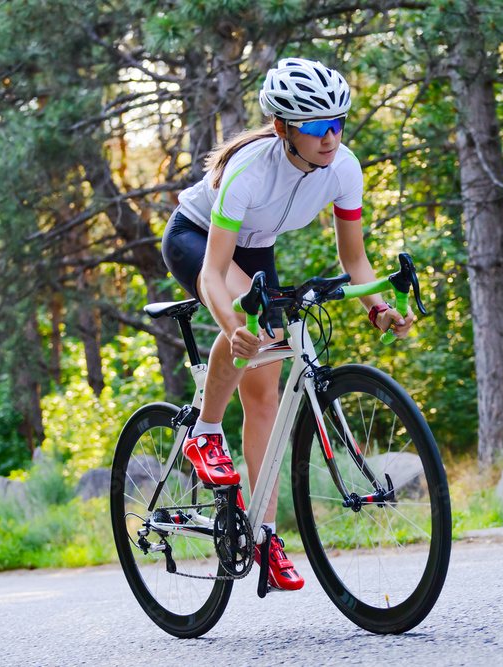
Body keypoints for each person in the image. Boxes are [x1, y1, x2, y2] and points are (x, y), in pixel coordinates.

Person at [161, 58, 415, 591]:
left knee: (265, 394)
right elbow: (212, 272)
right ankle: (204, 433)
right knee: (253, 338)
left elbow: (355, 260)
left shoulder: (344, 168)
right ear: (282, 129)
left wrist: (377, 307)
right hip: (196, 238)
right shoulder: (248, 172)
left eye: (339, 123)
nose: (332, 137)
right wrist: (230, 325)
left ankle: (264, 533)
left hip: (255, 250)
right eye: (317, 126)